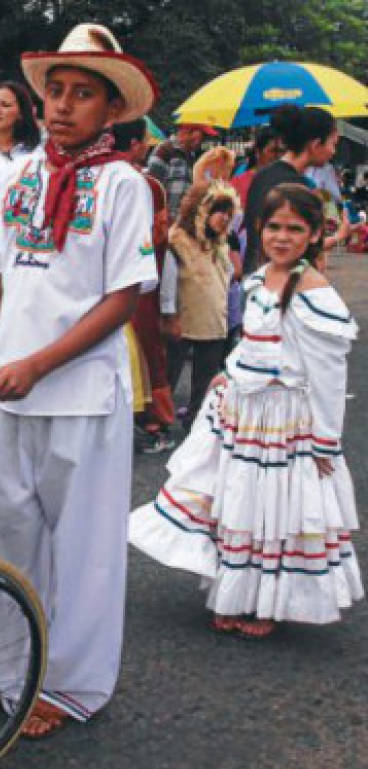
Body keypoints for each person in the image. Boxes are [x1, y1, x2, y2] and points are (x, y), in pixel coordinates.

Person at [0, 23, 159, 738]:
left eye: (82, 94)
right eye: (54, 90)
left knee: (81, 547)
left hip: (79, 394)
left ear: (111, 111)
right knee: (14, 539)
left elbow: (121, 298)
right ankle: (11, 669)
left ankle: (73, 684)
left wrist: (40, 363)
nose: (62, 105)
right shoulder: (20, 176)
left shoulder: (123, 185)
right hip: (12, 389)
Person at [129, 183, 361, 637]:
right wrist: (229, 373)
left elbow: (329, 377)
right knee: (241, 503)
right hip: (245, 412)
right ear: (258, 228)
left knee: (275, 511)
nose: (281, 236)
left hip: (283, 420)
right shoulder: (258, 279)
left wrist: (325, 442)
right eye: (273, 226)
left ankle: (267, 602)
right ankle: (238, 592)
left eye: (295, 229)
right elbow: (251, 341)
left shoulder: (314, 291)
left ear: (315, 234)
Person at [112, 117, 175, 453]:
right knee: (148, 348)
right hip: (140, 280)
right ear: (135, 144)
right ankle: (155, 421)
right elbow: (158, 238)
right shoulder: (147, 185)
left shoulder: (93, 178)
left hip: (105, 283)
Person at [163, 180, 239, 426]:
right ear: (202, 210)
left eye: (229, 214)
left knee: (205, 379)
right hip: (182, 320)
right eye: (220, 213)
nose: (225, 219)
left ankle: (196, 424)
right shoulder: (177, 240)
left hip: (213, 322)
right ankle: (158, 423)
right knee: (168, 375)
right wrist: (169, 315)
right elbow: (167, 283)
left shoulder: (220, 244)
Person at [243, 106, 340, 274]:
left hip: (255, 275)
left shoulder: (263, 175)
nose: (333, 151)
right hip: (279, 280)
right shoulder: (296, 188)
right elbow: (298, 244)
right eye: (333, 144)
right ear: (316, 145)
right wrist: (340, 235)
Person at [149, 122, 215, 219]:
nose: (202, 141)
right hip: (163, 221)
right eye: (202, 135)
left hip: (180, 222)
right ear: (189, 131)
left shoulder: (192, 157)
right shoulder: (165, 149)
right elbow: (152, 186)